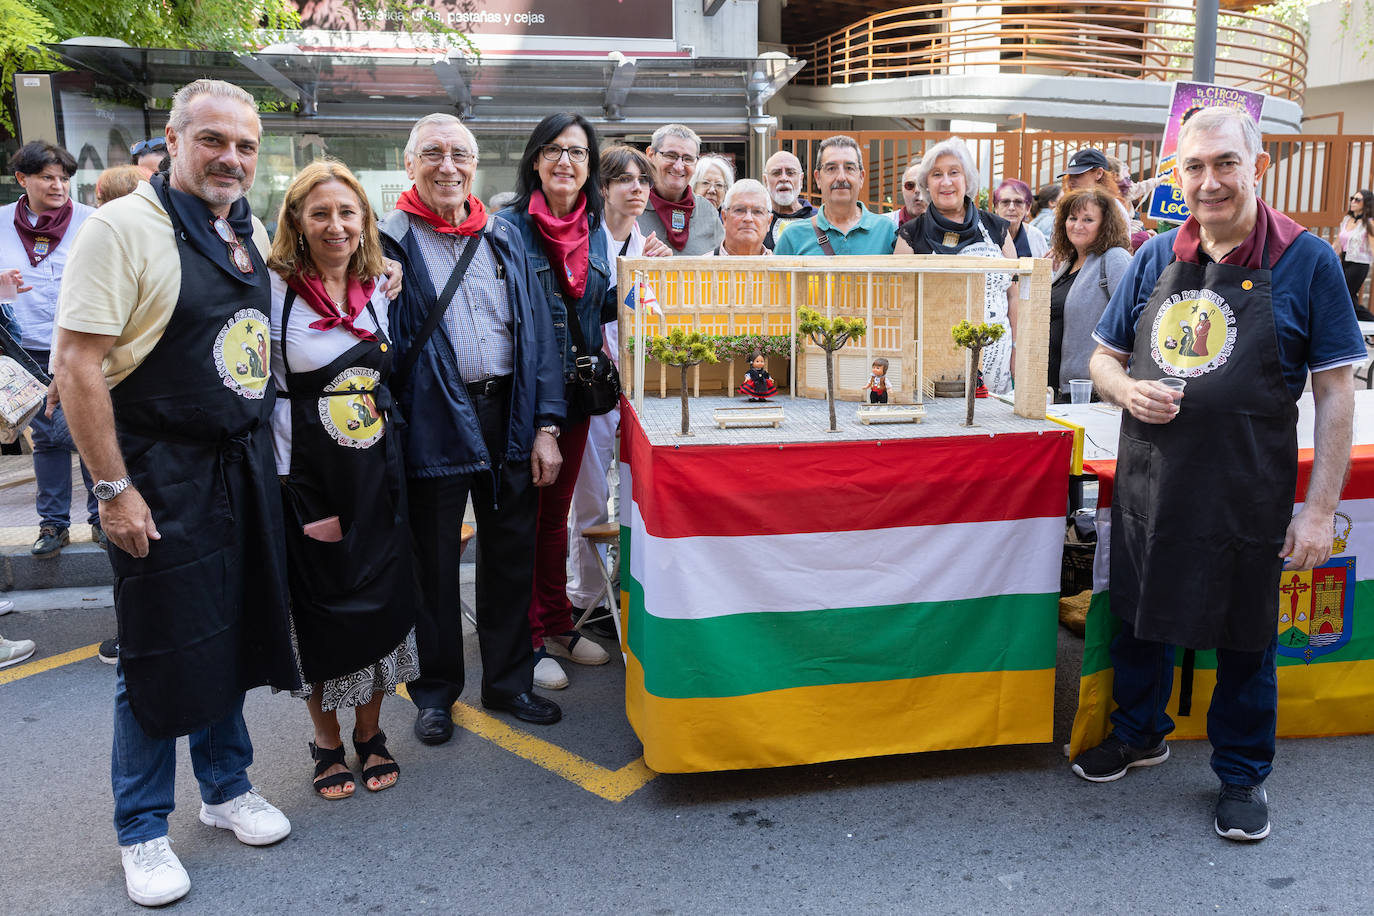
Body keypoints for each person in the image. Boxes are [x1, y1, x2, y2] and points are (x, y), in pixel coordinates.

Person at [1076, 106, 1366, 842]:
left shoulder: (1308, 261)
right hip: (1149, 483)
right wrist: (1125, 390)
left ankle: (1242, 774)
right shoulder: (1151, 255)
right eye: (1194, 167)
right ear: (1178, 176)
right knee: (1139, 618)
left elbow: (1336, 390)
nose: (1210, 182)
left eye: (1225, 164)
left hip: (1246, 490)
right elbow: (1102, 358)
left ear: (1258, 166)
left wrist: (1317, 508)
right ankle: (1139, 732)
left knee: (1244, 637)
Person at [52, 78, 300, 907]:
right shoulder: (124, 226)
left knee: (229, 632)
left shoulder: (245, 228)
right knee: (159, 647)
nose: (231, 158)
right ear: (174, 138)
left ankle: (227, 787)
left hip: (238, 466)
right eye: (213, 141)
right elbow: (77, 363)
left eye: (245, 146)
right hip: (157, 472)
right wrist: (113, 488)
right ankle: (142, 830)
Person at [379, 112, 564, 744]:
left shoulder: (503, 235)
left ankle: (510, 681)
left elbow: (537, 336)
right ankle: (435, 693)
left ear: (474, 164)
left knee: (510, 551)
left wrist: (546, 425)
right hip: (430, 416)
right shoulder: (384, 240)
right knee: (431, 558)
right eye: (432, 152)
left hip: (505, 409)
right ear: (410, 164)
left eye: (459, 153)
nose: (447, 165)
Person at [266, 160, 419, 798]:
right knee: (321, 610)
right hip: (307, 476)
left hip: (376, 474)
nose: (336, 225)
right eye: (320, 213)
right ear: (297, 222)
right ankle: (327, 743)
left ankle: (371, 734)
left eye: (347, 212)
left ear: (365, 222)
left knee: (380, 604)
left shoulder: (379, 287)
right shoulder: (272, 292)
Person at [496, 113, 615, 692]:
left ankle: (558, 623)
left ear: (589, 166)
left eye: (577, 152)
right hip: (520, 400)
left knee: (554, 518)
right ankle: (528, 636)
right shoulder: (508, 229)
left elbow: (598, 309)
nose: (565, 161)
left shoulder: (596, 229)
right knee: (524, 516)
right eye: (553, 150)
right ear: (535, 161)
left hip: (573, 398)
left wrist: (649, 274)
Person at [564, 145, 669, 636]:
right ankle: (585, 597)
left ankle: (625, 592)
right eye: (624, 180)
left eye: (643, 181)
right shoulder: (583, 243)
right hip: (590, 384)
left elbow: (650, 318)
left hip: (635, 385)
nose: (637, 189)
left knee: (634, 494)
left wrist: (657, 274)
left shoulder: (646, 247)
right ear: (602, 188)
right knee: (589, 495)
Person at [0, 142, 102, 558]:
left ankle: (100, 518)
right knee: (46, 438)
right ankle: (54, 524)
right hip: (27, 350)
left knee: (90, 431)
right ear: (22, 179)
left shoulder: (91, 221)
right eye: (47, 177)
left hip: (82, 346)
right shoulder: (1, 221)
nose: (58, 185)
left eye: (63, 177)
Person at [895, 137, 1019, 394]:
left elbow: (1015, 296)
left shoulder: (997, 229)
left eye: (954, 172)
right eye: (937, 174)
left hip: (998, 366)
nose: (946, 181)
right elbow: (900, 305)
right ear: (927, 184)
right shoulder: (910, 235)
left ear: (967, 180)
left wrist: (1019, 348)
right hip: (931, 369)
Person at [1046, 188, 1131, 401]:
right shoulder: (1068, 262)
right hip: (1056, 390)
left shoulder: (1114, 259)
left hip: (1091, 391)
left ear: (1105, 225)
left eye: (1088, 220)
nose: (1077, 225)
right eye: (1072, 218)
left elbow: (1132, 319)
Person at [774, 135, 896, 256]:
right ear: (818, 178)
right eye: (831, 168)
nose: (841, 177)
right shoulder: (793, 236)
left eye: (849, 168)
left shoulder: (887, 231)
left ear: (861, 177)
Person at [637, 124, 723, 255]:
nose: (678, 166)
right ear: (651, 154)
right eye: (670, 156)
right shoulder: (632, 207)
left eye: (688, 159)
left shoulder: (708, 212)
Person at [1058, 148, 1133, 226]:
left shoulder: (1113, 207)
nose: (1071, 181)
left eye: (1078, 175)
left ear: (1099, 173)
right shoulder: (1066, 205)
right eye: (1070, 175)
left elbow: (1121, 237)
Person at [762, 150, 816, 250]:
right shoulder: (758, 220)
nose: (783, 178)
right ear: (765, 181)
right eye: (776, 173)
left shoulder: (819, 219)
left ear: (801, 179)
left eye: (790, 173)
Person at [1334, 189, 1373, 320]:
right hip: (1345, 262)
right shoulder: (1347, 220)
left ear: (1366, 203)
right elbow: (1338, 244)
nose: (1353, 202)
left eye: (1357, 200)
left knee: (1343, 294)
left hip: (1359, 264)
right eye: (1352, 198)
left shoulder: (1369, 222)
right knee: (1349, 299)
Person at [993, 178, 1048, 259]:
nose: (1011, 208)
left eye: (1018, 202)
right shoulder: (986, 236)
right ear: (996, 208)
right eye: (1005, 202)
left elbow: (1045, 270)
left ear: (1028, 208)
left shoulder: (1036, 236)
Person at [715, 179, 772, 256]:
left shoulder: (780, 267)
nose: (748, 218)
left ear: (769, 222)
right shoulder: (699, 266)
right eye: (739, 210)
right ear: (724, 218)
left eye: (757, 211)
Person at [885, 158, 926, 228]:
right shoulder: (882, 225)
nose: (917, 190)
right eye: (910, 185)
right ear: (902, 189)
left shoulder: (947, 227)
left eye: (923, 184)